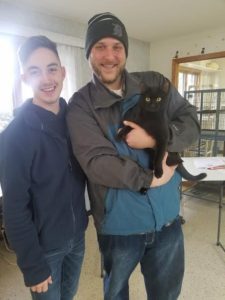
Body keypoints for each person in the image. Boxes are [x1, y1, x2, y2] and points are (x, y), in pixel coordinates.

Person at [67, 12, 200, 300]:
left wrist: (155, 139)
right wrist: (152, 178)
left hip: (168, 221)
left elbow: (191, 121)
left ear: (125, 51)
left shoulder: (153, 83)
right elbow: (97, 163)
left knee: (166, 295)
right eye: (100, 46)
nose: (109, 56)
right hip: (119, 228)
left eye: (117, 46)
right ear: (89, 52)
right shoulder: (80, 106)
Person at [0, 36, 88, 300]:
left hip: (78, 239)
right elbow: (14, 208)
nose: (46, 79)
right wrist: (32, 265)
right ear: (25, 78)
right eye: (35, 71)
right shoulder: (13, 137)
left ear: (63, 72)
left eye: (52, 69)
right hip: (44, 248)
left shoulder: (76, 119)